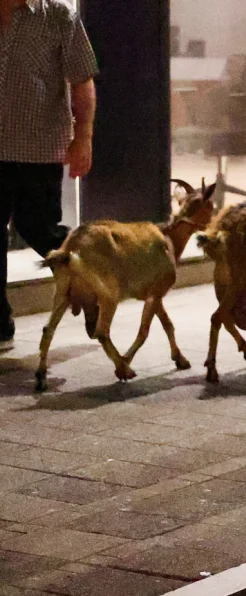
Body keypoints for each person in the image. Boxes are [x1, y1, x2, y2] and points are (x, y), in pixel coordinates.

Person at [0, 0, 97, 354]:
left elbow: (82, 80)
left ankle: (93, 278)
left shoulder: (57, 16)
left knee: (37, 227)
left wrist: (83, 137)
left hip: (37, 147)